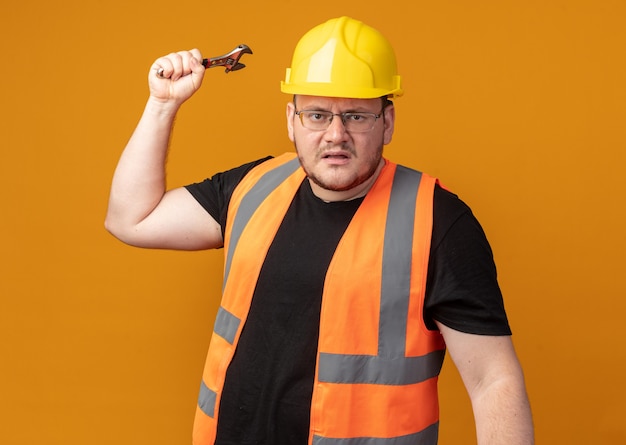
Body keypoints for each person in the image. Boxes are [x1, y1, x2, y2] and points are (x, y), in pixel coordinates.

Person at [105, 16, 534, 445]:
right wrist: (162, 105)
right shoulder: (252, 187)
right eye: (317, 114)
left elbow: (493, 381)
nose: (335, 135)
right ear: (291, 119)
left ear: (387, 121)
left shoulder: (438, 221)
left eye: (356, 116)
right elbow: (131, 219)